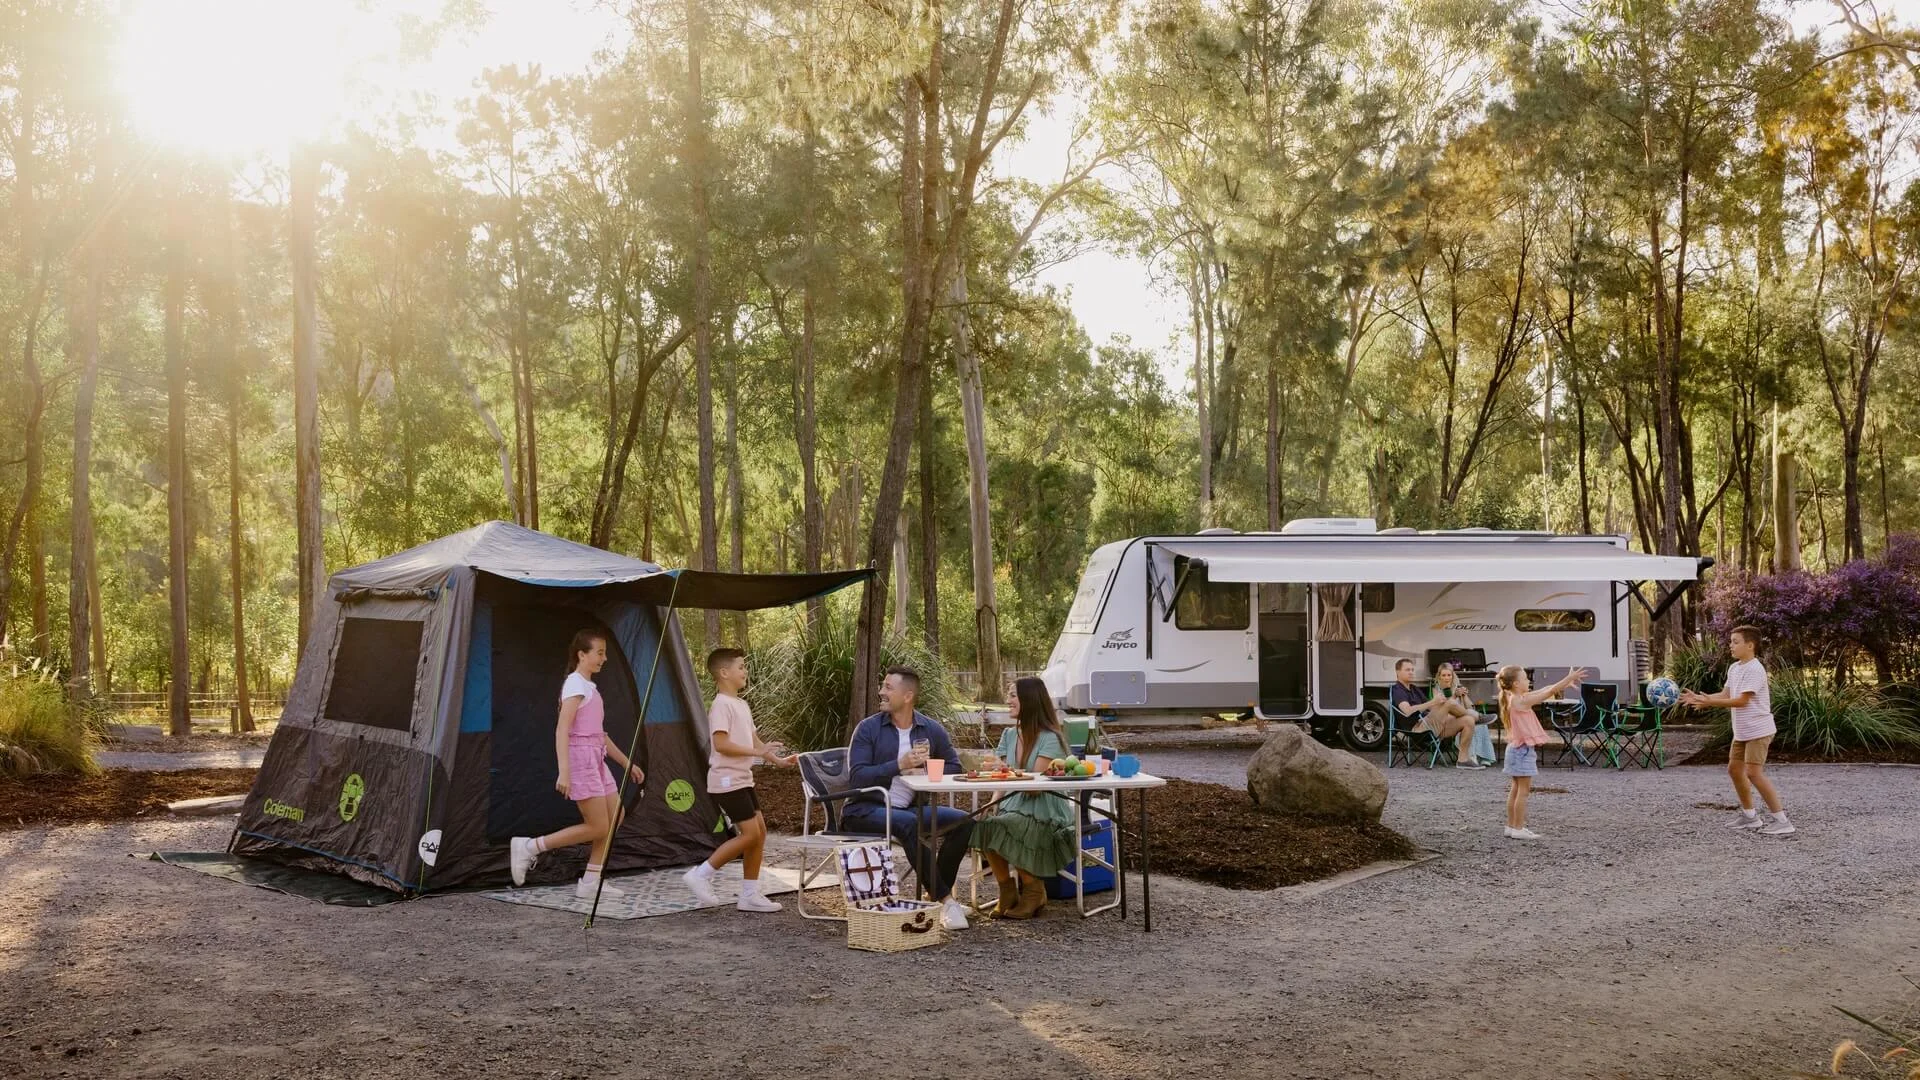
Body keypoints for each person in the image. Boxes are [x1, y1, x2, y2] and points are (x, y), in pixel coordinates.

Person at [509, 630, 646, 898]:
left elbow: (599, 734)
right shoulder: (575, 684)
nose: (604, 658)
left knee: (615, 816)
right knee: (597, 826)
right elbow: (562, 730)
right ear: (581, 655)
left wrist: (626, 762)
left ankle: (591, 881)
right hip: (581, 758)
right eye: (599, 653)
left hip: (596, 756)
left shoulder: (589, 686)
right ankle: (530, 846)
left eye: (604, 653)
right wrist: (564, 770)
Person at [843, 667, 973, 930]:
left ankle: (934, 893)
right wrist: (899, 765)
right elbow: (857, 777)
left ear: (908, 696)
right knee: (908, 824)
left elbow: (954, 767)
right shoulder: (868, 729)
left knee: (963, 821)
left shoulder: (930, 729)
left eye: (888, 687)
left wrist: (924, 770)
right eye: (883, 686)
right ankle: (946, 900)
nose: (881, 691)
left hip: (909, 809)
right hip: (865, 810)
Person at [684, 648, 797, 911]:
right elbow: (721, 743)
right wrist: (757, 751)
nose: (745, 671)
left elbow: (754, 740)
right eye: (741, 667)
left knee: (760, 834)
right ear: (724, 673)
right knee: (750, 834)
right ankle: (700, 875)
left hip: (742, 779)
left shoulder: (741, 704)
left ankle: (749, 894)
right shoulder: (721, 705)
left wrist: (777, 760)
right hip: (726, 780)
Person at [972, 677, 1077, 920]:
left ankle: (1034, 892)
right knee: (986, 826)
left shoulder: (1050, 737)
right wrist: (993, 802)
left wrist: (1005, 770)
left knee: (1006, 827)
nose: (1007, 701)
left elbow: (1035, 788)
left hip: (1044, 807)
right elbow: (1001, 777)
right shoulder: (1009, 735)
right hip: (1013, 804)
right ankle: (1007, 890)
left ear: (1029, 700)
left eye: (1012, 696)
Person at [1681, 626, 1793, 837]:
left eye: (1735, 642)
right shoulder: (1735, 668)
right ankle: (1750, 817)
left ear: (1750, 645)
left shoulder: (1755, 669)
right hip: (1742, 732)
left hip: (1758, 730)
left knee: (1753, 772)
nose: (1730, 645)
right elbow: (1726, 693)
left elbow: (1742, 700)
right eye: (1731, 641)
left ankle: (1782, 821)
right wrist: (1699, 698)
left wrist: (1710, 704)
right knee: (1734, 770)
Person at [1496, 663, 1587, 839]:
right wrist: (1567, 679)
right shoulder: (1519, 700)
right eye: (1524, 678)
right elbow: (1547, 692)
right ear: (1515, 684)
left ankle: (1511, 826)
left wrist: (1564, 684)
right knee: (1523, 791)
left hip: (1515, 749)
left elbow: (1544, 690)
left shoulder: (1512, 697)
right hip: (1522, 751)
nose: (1528, 681)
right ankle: (1518, 828)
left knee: (1515, 789)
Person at [1389, 658, 1484, 769]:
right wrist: (1434, 702)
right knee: (1451, 704)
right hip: (1417, 728)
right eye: (1407, 670)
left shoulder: (1414, 689)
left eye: (1412, 670)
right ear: (1397, 672)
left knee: (1468, 721)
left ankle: (1463, 760)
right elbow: (1407, 711)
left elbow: (1431, 708)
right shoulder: (1397, 690)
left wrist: (1440, 704)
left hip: (1430, 723)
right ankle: (1478, 716)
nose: (1411, 672)